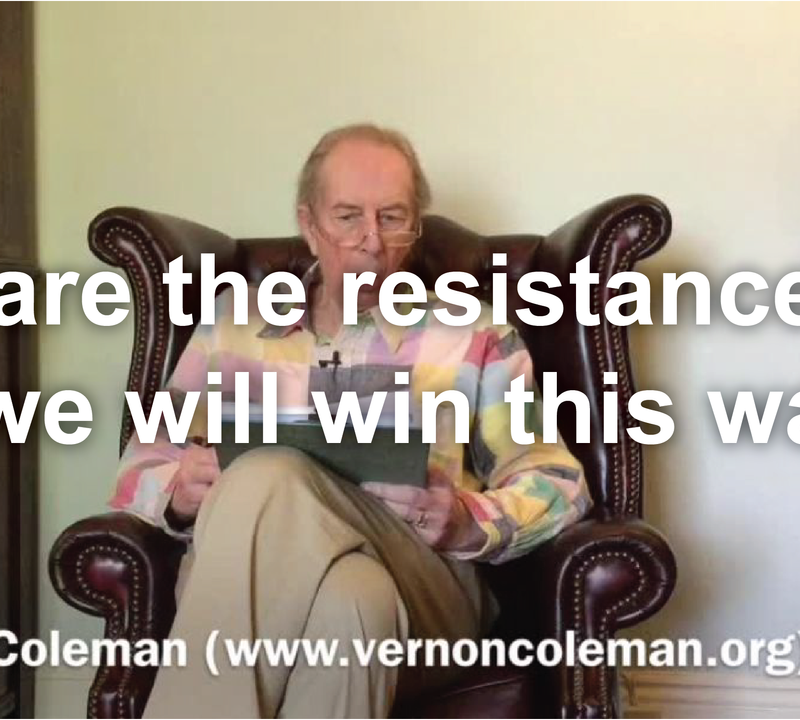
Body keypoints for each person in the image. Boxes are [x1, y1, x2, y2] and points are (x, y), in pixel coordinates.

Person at [110, 123, 591, 718]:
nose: (372, 241)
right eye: (347, 217)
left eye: (392, 217)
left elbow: (558, 484)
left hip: (425, 585)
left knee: (265, 475)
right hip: (317, 598)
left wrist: (469, 520)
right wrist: (180, 491)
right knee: (351, 601)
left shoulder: (475, 333)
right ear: (309, 224)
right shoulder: (233, 323)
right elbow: (140, 466)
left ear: (415, 227)